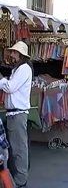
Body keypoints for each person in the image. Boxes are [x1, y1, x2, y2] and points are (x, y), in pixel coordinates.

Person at [0, 41, 32, 187]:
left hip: (17, 114)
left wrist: (1, 80)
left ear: (20, 55)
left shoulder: (24, 69)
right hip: (14, 114)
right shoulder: (18, 69)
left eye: (13, 52)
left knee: (19, 149)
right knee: (16, 148)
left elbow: (11, 87)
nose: (11, 55)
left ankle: (20, 179)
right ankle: (19, 177)